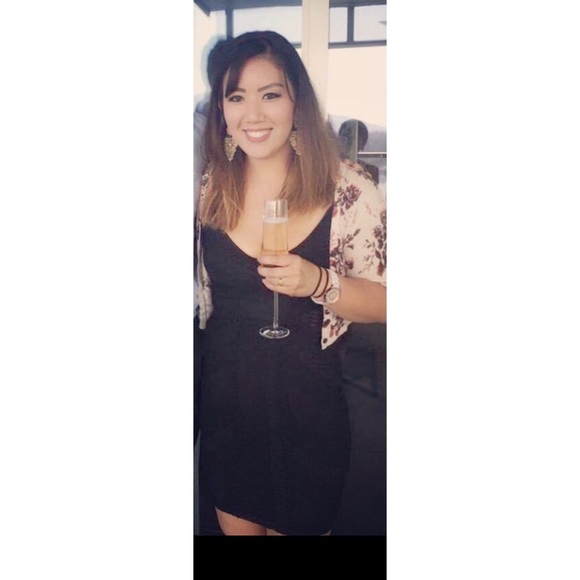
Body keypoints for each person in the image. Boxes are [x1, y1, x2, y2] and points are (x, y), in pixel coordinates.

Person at [195, 30, 386, 536]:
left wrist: (320, 282)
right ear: (222, 110)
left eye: (270, 94)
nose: (253, 114)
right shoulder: (210, 186)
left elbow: (389, 301)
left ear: (296, 101)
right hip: (228, 411)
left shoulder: (349, 187)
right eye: (237, 97)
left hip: (309, 415)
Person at [338, 118, 380, 185]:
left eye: (354, 140)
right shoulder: (330, 167)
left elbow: (372, 190)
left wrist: (365, 177)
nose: (348, 142)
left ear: (362, 144)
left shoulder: (371, 171)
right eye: (345, 137)